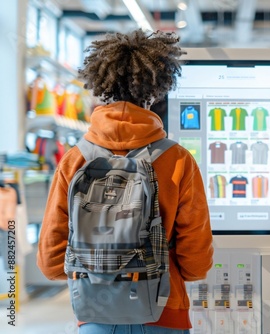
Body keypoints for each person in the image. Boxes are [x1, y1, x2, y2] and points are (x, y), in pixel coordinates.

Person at [37, 29, 214, 334]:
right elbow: (196, 261)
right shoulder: (178, 159)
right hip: (164, 311)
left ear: (100, 85)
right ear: (155, 90)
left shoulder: (75, 159)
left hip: (95, 313)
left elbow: (51, 261)